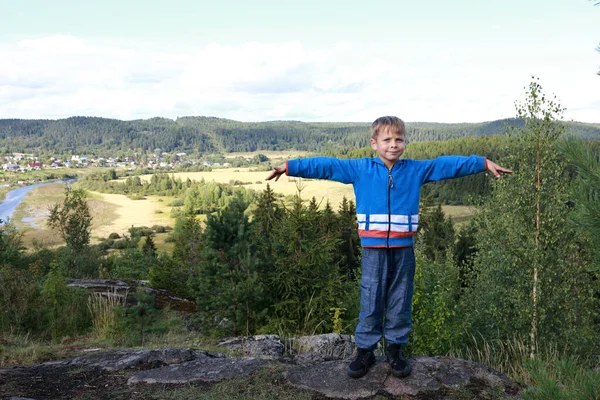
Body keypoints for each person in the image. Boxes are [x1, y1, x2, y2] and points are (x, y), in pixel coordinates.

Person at [266, 116, 512, 379]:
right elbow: (326, 166)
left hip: (404, 249)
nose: (393, 145)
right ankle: (365, 351)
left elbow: (445, 165)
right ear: (374, 143)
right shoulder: (360, 169)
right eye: (387, 140)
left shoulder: (415, 170)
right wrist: (289, 167)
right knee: (370, 298)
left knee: (400, 298)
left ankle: (395, 350)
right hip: (373, 250)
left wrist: (482, 163)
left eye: (399, 139)